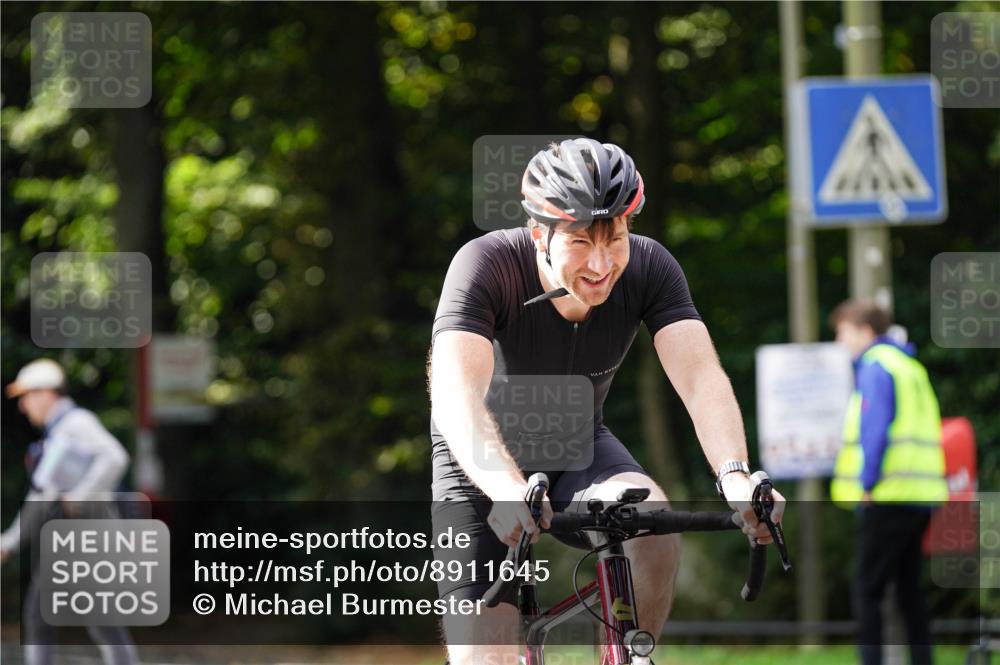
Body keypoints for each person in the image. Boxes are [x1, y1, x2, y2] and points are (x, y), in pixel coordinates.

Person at [427, 138, 786, 664]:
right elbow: (455, 393)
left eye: (614, 239)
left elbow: (700, 377)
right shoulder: (486, 264)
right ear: (539, 234)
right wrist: (504, 488)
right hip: (478, 467)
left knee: (652, 525)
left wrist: (735, 476)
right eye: (579, 241)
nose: (601, 264)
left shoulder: (650, 266)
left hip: (579, 446)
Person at [829, 300, 948, 665]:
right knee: (910, 591)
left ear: (865, 331)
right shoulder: (909, 365)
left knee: (868, 590)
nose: (839, 341)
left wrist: (867, 483)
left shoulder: (876, 366)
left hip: (887, 494)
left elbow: (875, 429)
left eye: (843, 332)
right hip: (921, 494)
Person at [1, 358, 139, 665]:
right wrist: (9, 542)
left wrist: (79, 497)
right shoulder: (59, 432)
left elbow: (115, 457)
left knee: (48, 616)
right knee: (62, 617)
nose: (23, 406)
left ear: (46, 393)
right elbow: (41, 494)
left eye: (26, 396)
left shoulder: (76, 424)